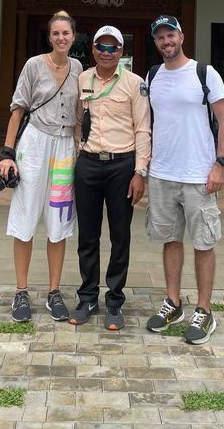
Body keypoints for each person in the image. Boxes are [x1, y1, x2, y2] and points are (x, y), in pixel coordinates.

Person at [145, 15, 224, 345]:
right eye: (160, 38)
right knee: (170, 240)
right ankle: (173, 303)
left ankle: (204, 309)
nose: (166, 42)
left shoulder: (204, 73)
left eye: (171, 35)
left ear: (181, 37)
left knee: (203, 242)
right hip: (163, 173)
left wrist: (220, 164)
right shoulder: (153, 77)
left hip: (198, 175)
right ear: (156, 42)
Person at [0, 10, 83, 323]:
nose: (61, 38)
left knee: (59, 220)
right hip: (34, 145)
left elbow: (78, 114)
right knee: (26, 214)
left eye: (66, 33)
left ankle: (54, 291)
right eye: (56, 33)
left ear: (73, 36)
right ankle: (21, 291)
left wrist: (79, 149)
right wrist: (7, 154)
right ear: (50, 37)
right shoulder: (34, 65)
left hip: (63, 149)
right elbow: (18, 110)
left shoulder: (78, 69)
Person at [69, 25, 151, 331]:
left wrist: (140, 172)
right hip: (89, 164)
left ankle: (115, 300)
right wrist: (81, 153)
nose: (106, 53)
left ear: (121, 51)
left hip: (122, 167)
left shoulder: (135, 84)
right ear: (92, 50)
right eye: (100, 47)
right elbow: (78, 121)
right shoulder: (82, 80)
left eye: (112, 48)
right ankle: (88, 297)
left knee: (120, 235)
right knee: (87, 236)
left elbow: (143, 128)